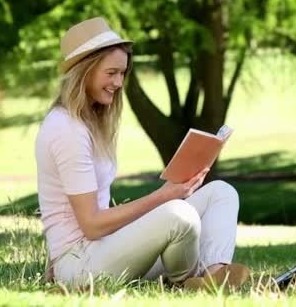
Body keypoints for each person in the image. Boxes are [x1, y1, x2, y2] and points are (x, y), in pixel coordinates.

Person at [35, 17, 249, 290]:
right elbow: (91, 225)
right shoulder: (66, 129)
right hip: (81, 265)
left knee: (221, 193)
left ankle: (214, 276)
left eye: (122, 73)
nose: (119, 82)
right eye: (111, 73)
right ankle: (186, 282)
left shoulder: (89, 123)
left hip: (106, 249)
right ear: (84, 71)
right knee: (178, 215)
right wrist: (163, 196)